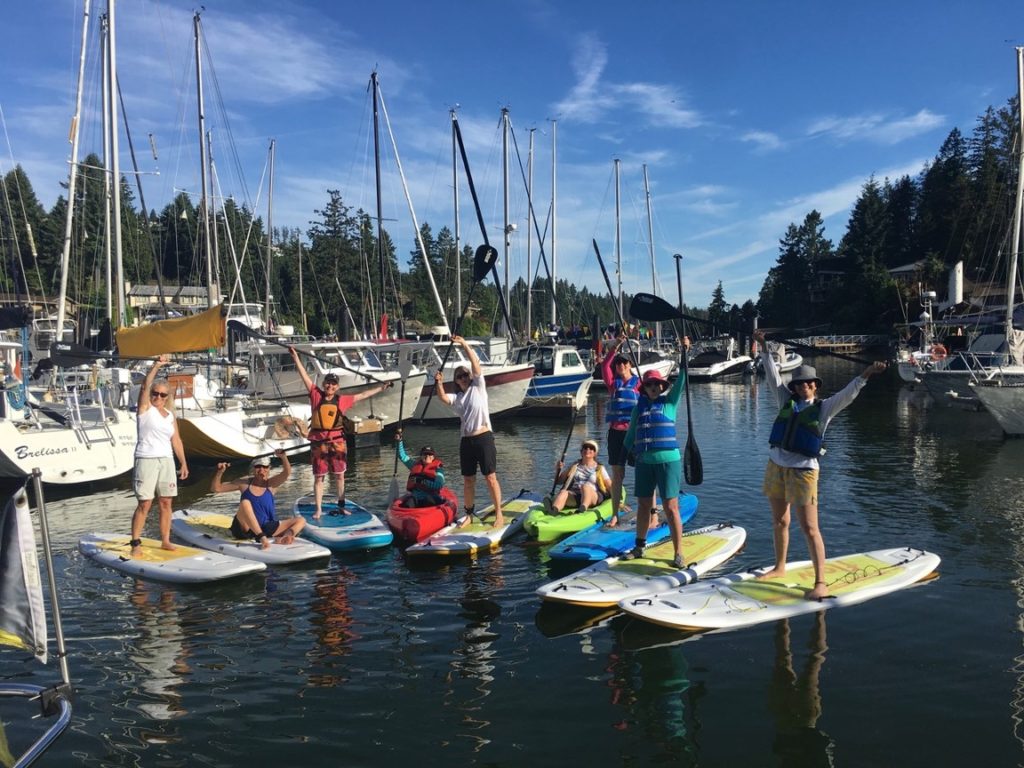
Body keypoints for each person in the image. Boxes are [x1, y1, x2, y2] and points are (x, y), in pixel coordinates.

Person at [754, 329, 887, 600]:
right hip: (776, 465)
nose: (803, 386)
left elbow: (848, 395)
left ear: (816, 386)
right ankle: (779, 567)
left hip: (804, 471)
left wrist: (867, 374)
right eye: (799, 383)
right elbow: (771, 374)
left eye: (808, 383)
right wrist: (763, 346)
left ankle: (821, 582)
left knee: (810, 528)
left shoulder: (824, 408)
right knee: (780, 521)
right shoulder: (784, 399)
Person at [289, 346, 392, 519]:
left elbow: (363, 394)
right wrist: (295, 357)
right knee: (319, 477)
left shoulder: (342, 400)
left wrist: (381, 388)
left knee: (339, 476)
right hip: (319, 442)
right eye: (328, 383)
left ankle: (342, 505)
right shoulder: (315, 395)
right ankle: (319, 509)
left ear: (337, 387)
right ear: (324, 384)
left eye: (333, 384)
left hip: (337, 442)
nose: (330, 386)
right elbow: (304, 375)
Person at [622, 337, 691, 568]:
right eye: (649, 385)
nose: (653, 387)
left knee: (671, 507)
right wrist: (629, 454)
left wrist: (684, 351)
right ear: (645, 388)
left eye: (656, 385)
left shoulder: (670, 403)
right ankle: (639, 547)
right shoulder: (637, 409)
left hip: (668, 461)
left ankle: (678, 552)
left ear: (662, 387)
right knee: (643, 505)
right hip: (644, 463)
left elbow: (682, 378)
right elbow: (630, 437)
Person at [433, 335, 503, 528]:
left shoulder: (478, 386)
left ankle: (498, 513)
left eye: (466, 375)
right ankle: (469, 514)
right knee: (468, 480)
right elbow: (443, 398)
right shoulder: (458, 398)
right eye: (460, 376)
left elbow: (474, 363)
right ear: (456, 381)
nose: (464, 377)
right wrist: (438, 382)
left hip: (484, 437)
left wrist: (464, 343)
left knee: (490, 477)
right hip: (466, 441)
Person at [130, 355, 189, 557]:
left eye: (163, 395)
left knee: (166, 502)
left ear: (167, 397)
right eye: (155, 394)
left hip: (166, 460)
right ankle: (135, 542)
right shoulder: (145, 410)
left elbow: (177, 441)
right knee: (145, 503)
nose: (158, 397)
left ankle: (165, 540)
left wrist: (183, 463)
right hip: (146, 458)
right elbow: (145, 386)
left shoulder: (170, 415)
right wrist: (156, 366)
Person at [209, 449, 304, 549]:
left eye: (265, 467)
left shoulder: (272, 484)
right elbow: (216, 488)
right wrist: (220, 472)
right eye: (258, 467)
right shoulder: (243, 483)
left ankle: (286, 537)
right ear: (253, 469)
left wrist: (283, 457)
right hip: (245, 529)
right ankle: (262, 538)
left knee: (301, 520)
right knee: (245, 503)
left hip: (266, 527)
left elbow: (286, 473)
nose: (261, 470)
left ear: (269, 469)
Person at [600, 337, 640, 526]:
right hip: (615, 435)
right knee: (617, 475)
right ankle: (615, 514)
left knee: (643, 471)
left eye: (624, 362)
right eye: (618, 363)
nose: (620, 365)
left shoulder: (639, 384)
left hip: (634, 434)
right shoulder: (612, 383)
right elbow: (605, 365)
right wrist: (614, 348)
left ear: (629, 365)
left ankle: (651, 511)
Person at [551, 438, 612, 514]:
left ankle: (583, 508)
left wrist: (617, 499)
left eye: (591, 448)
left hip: (593, 495)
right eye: (585, 447)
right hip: (575, 495)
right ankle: (554, 510)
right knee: (563, 492)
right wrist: (558, 469)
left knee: (585, 486)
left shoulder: (600, 468)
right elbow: (559, 481)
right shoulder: (574, 466)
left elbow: (609, 485)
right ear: (581, 451)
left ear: (595, 453)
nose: (588, 449)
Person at [394, 431, 446, 507]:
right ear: (421, 456)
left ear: (433, 457)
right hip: (416, 497)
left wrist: (422, 481)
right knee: (408, 504)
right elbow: (402, 455)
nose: (427, 456)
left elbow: (439, 485)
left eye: (430, 454)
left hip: (431, 496)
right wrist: (399, 441)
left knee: (429, 501)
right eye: (425, 454)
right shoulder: (414, 465)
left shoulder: (438, 469)